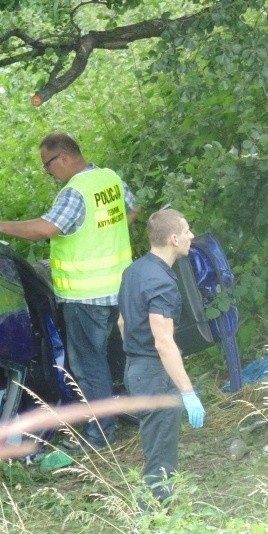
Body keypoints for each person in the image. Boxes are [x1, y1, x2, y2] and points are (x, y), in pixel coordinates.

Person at [0, 132, 140, 448]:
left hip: (86, 296)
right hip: (119, 287)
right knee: (112, 355)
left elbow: (45, 229)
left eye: (47, 165)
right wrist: (104, 236)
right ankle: (135, 408)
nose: (48, 173)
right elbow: (132, 210)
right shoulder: (108, 179)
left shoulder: (74, 192)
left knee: (89, 366)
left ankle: (100, 436)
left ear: (62, 157)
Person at [117, 208, 205, 505]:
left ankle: (156, 525)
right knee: (161, 460)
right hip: (154, 375)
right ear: (174, 238)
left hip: (136, 369)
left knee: (156, 449)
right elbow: (164, 342)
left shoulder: (134, 271)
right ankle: (149, 533)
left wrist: (136, 359)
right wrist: (187, 391)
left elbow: (122, 323)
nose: (192, 236)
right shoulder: (162, 283)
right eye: (187, 230)